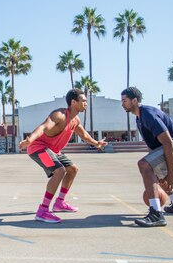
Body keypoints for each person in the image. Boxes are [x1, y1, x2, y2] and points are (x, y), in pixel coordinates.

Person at [19, 88, 107, 223]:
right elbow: (43, 127)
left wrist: (97, 143)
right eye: (83, 101)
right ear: (73, 102)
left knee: (72, 169)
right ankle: (42, 211)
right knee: (59, 171)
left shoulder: (75, 120)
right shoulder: (59, 115)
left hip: (52, 150)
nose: (86, 104)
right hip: (38, 148)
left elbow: (83, 135)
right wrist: (30, 139)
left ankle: (59, 203)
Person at [121, 87, 173, 227]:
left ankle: (156, 214)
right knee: (151, 169)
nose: (122, 104)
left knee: (143, 164)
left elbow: (168, 143)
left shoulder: (148, 114)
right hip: (172, 145)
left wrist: (171, 174)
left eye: (124, 100)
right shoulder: (139, 118)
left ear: (134, 100)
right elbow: (153, 147)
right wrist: (155, 169)